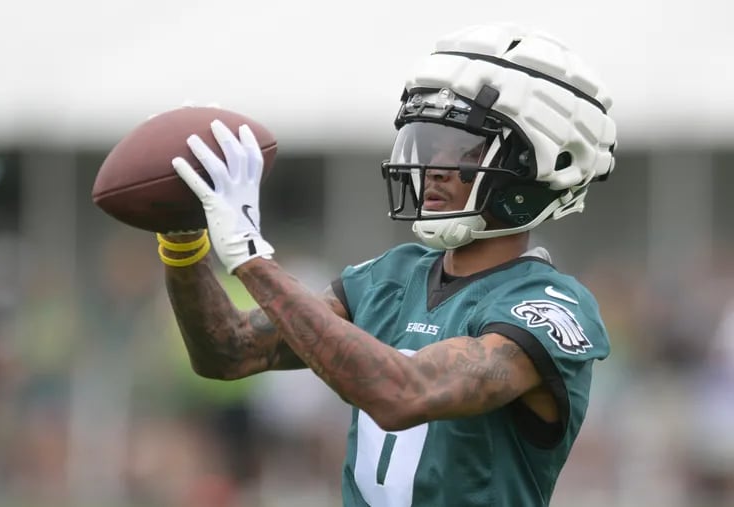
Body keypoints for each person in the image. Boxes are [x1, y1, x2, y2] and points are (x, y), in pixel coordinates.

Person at [157, 22, 617, 507]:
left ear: (535, 166)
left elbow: (403, 394)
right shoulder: (391, 277)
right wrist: (182, 237)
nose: (434, 166)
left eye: (463, 148)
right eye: (429, 142)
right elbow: (228, 351)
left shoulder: (547, 305)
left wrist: (253, 258)